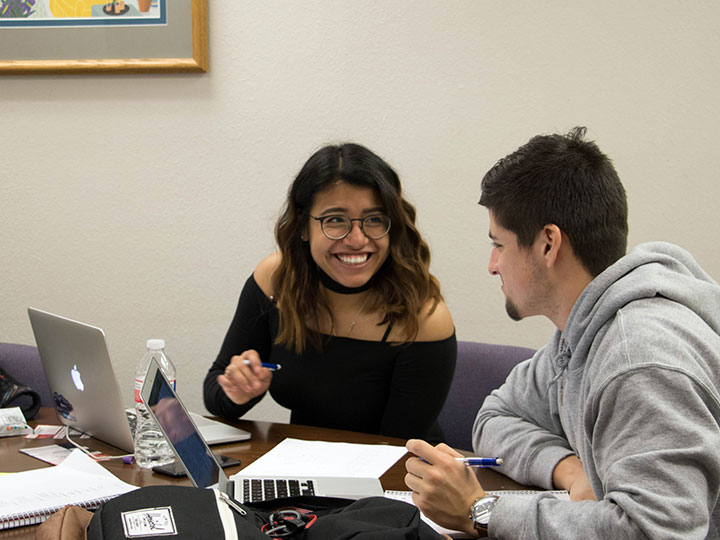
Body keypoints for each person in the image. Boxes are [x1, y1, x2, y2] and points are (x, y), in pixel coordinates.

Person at [404, 127, 720, 538]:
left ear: (548, 244)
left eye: (499, 244)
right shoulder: (580, 335)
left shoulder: (636, 359)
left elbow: (658, 533)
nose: (492, 265)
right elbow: (495, 417)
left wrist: (481, 512)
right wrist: (568, 469)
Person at [203, 142, 456, 442]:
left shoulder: (424, 317)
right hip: (302, 465)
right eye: (335, 220)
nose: (357, 239)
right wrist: (238, 392)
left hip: (394, 478)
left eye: (374, 220)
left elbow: (397, 453)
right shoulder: (276, 281)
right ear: (302, 227)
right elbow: (215, 396)